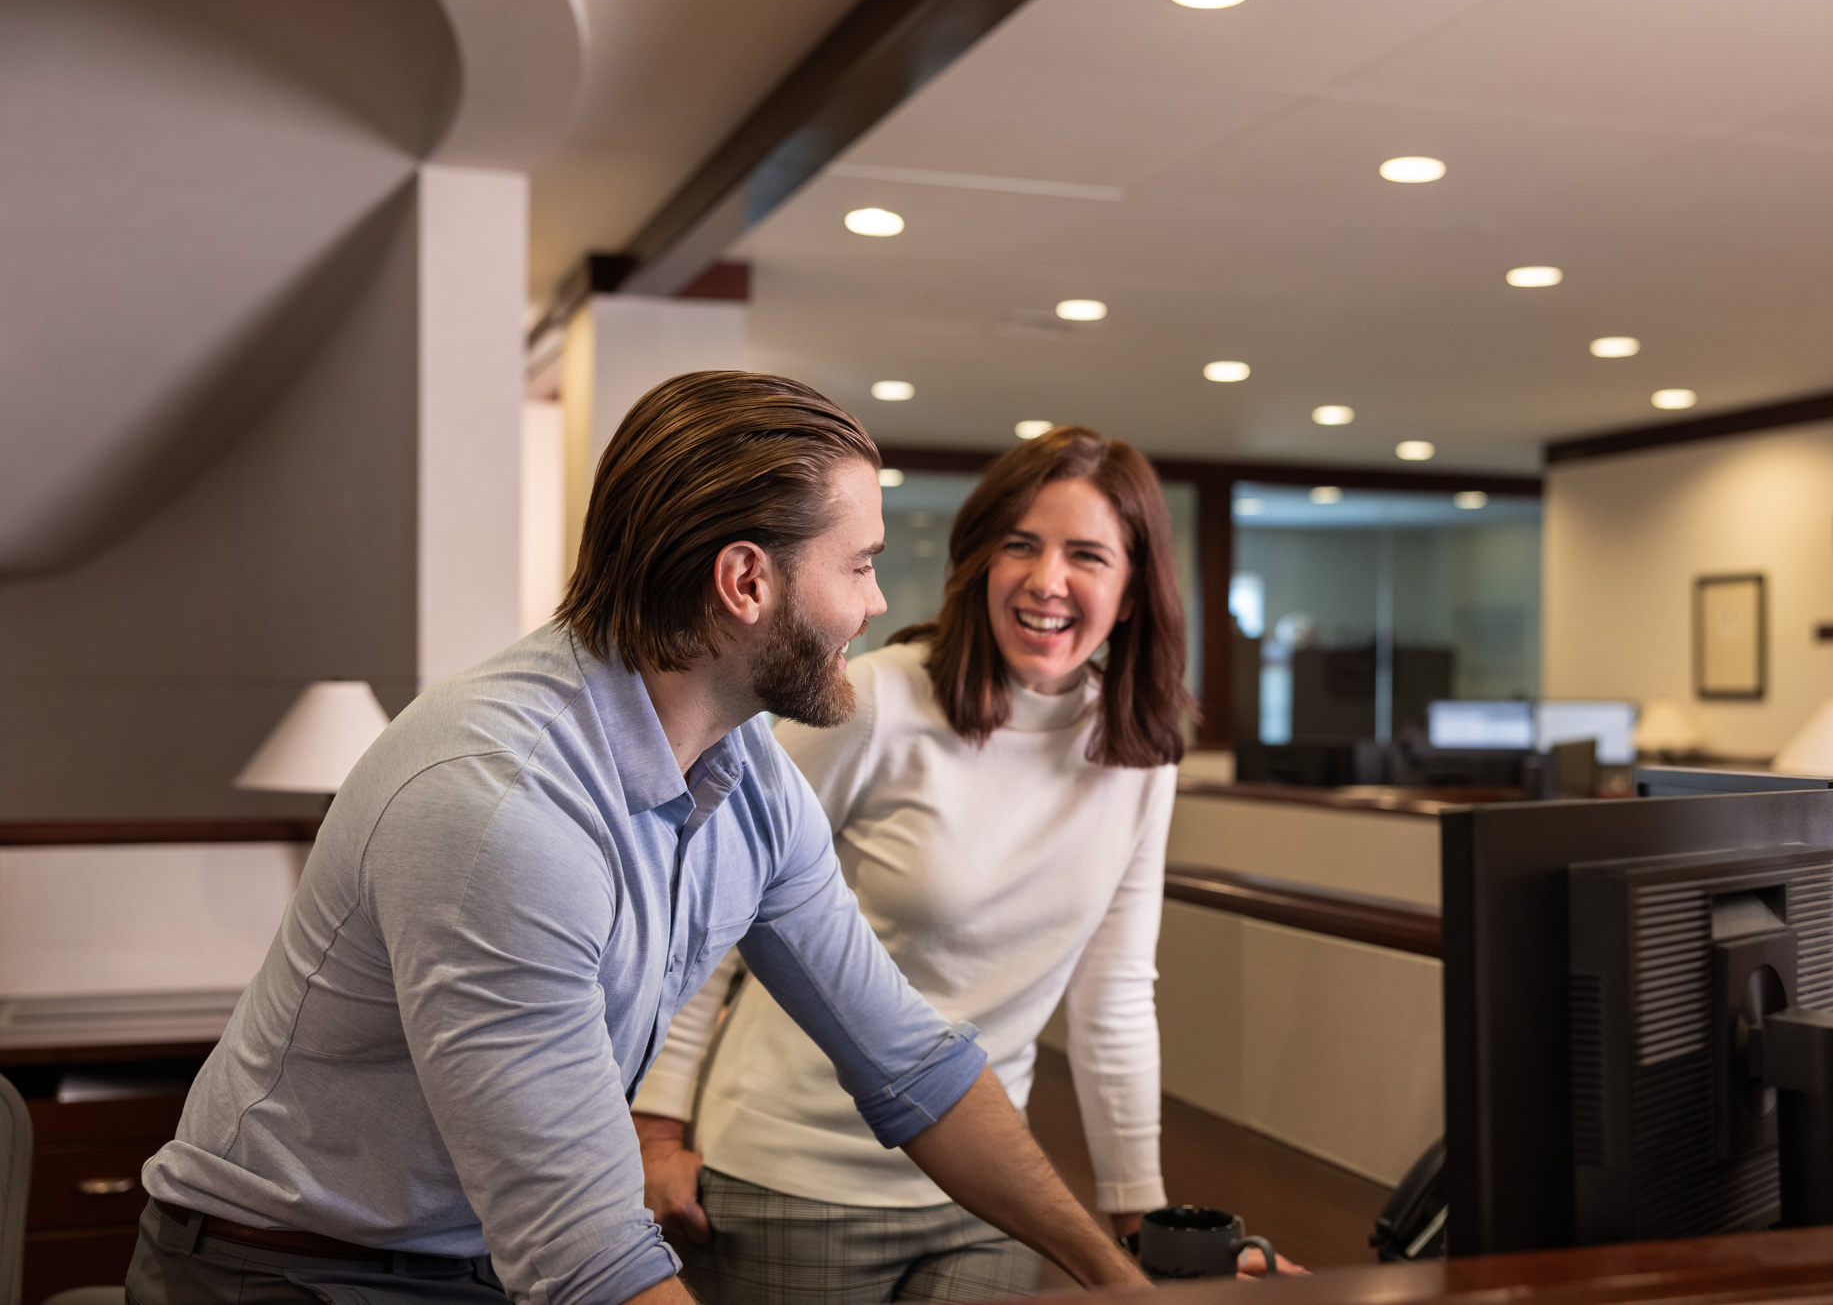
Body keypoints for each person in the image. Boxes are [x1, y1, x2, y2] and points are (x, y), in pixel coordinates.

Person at [128, 374, 1149, 1305]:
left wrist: (1118, 1278)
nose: (878, 605)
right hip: (295, 1269)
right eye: (862, 563)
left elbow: (910, 1062)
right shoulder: (499, 810)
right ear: (746, 581)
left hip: (486, 1255)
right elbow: (584, 1251)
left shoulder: (747, 775)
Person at [631, 426, 1193, 1302]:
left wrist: (1136, 1213)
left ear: (1128, 593)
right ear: (978, 564)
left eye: (1087, 555)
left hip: (988, 1185)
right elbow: (712, 914)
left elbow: (1114, 996)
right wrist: (656, 1132)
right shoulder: (874, 700)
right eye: (1021, 546)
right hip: (795, 1175)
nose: (1048, 581)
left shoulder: (1139, 758)